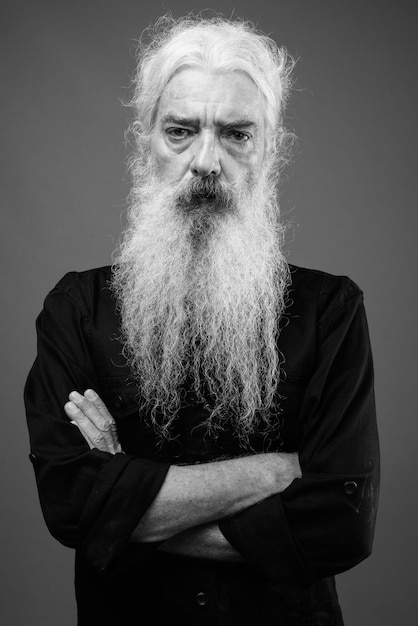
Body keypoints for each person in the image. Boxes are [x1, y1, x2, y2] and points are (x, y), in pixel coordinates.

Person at [24, 14, 380, 626]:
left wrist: (122, 495)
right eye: (181, 131)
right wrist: (273, 472)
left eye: (237, 134)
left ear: (270, 148)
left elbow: (342, 526)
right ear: (146, 143)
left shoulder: (332, 312)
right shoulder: (75, 310)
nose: (206, 162)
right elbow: (68, 505)